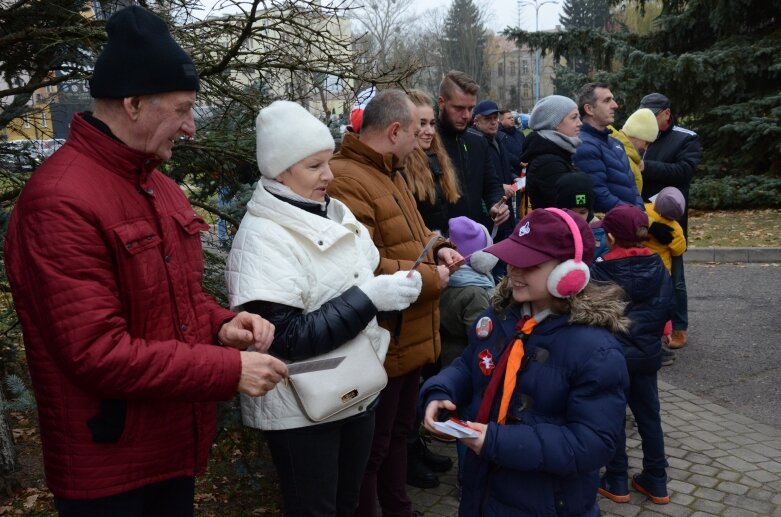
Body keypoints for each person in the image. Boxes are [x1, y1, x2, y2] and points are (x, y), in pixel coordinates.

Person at [3, 6, 288, 516]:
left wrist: (223, 326)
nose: (191, 127)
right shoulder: (60, 201)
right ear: (133, 103)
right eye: (181, 110)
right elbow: (97, 352)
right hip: (108, 472)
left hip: (167, 452)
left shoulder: (158, 187)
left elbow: (177, 301)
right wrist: (227, 370)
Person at [224, 101, 422, 516]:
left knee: (347, 504)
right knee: (315, 510)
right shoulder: (262, 237)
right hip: (301, 409)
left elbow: (362, 271)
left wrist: (397, 284)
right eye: (314, 166)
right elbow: (285, 338)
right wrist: (371, 298)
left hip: (357, 388)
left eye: (327, 162)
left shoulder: (333, 210)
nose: (329, 175)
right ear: (281, 172)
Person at [419, 208, 630, 516]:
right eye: (511, 259)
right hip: (484, 493)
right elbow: (470, 364)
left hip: (548, 503)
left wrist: (498, 442)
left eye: (528, 264)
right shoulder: (500, 315)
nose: (514, 271)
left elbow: (593, 442)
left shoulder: (596, 349)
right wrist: (440, 392)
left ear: (568, 272)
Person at [327, 89, 464, 517]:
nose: (423, 140)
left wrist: (439, 246)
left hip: (411, 331)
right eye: (416, 130)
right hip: (388, 337)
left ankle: (398, 507)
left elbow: (417, 229)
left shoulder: (391, 170)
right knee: (374, 447)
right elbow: (360, 265)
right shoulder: (348, 179)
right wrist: (430, 277)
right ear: (393, 131)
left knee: (399, 433)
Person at [591, 204, 674, 505]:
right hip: (648, 356)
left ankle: (616, 478)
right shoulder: (658, 266)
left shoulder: (599, 268)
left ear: (610, 237)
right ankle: (657, 480)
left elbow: (593, 314)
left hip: (612, 358)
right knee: (649, 416)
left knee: (613, 415)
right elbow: (668, 306)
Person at [402, 89, 461, 489]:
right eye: (418, 123)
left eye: (428, 123)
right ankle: (407, 453)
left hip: (436, 266)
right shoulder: (403, 168)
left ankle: (416, 443)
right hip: (416, 273)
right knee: (414, 367)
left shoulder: (437, 162)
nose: (426, 130)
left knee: (427, 363)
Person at [639, 92, 702, 349]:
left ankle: (679, 327)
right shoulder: (637, 136)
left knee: (675, 277)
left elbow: (684, 172)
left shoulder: (686, 138)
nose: (649, 123)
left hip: (669, 220)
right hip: (640, 217)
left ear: (666, 113)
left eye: (653, 117)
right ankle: (649, 326)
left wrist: (646, 167)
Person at [436, 70, 509, 232]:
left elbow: (492, 185)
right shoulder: (426, 143)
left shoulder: (478, 142)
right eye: (459, 108)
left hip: (476, 238)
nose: (466, 115)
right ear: (441, 103)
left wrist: (495, 205)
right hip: (439, 245)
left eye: (470, 108)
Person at [573, 82, 644, 212]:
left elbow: (632, 186)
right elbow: (599, 195)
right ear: (589, 109)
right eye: (607, 101)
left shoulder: (616, 143)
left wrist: (640, 212)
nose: (615, 105)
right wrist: (634, 215)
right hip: (611, 226)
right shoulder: (584, 145)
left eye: (613, 99)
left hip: (630, 221)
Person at [404, 89, 461, 236]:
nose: (430, 131)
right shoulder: (400, 167)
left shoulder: (437, 157)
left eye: (432, 123)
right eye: (422, 124)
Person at [644, 187, 688, 365]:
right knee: (661, 303)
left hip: (643, 265)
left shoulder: (645, 212)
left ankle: (647, 333)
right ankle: (666, 330)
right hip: (662, 272)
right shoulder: (675, 228)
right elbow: (679, 249)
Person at [521, 94, 582, 209]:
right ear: (556, 123)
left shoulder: (559, 152)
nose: (580, 123)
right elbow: (569, 208)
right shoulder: (548, 163)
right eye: (574, 117)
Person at [468, 99, 518, 241]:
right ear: (476, 120)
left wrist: (513, 177)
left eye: (495, 118)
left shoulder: (499, 139)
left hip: (504, 206)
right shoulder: (474, 143)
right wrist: (501, 186)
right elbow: (474, 177)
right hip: (487, 211)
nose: (493, 122)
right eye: (488, 119)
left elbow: (505, 166)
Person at [553, 171, 609, 258]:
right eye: (571, 212)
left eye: (583, 212)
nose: (577, 218)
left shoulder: (602, 237)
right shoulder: (551, 234)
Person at [609, 108, 660, 195]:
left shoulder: (615, 148)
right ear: (637, 134)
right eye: (646, 142)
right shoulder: (625, 159)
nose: (646, 148)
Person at [498, 109, 525, 177]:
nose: (512, 119)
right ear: (501, 120)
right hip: (510, 172)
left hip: (524, 169)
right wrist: (518, 162)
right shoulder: (498, 136)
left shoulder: (519, 133)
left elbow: (526, 147)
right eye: (509, 118)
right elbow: (504, 153)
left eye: (512, 117)